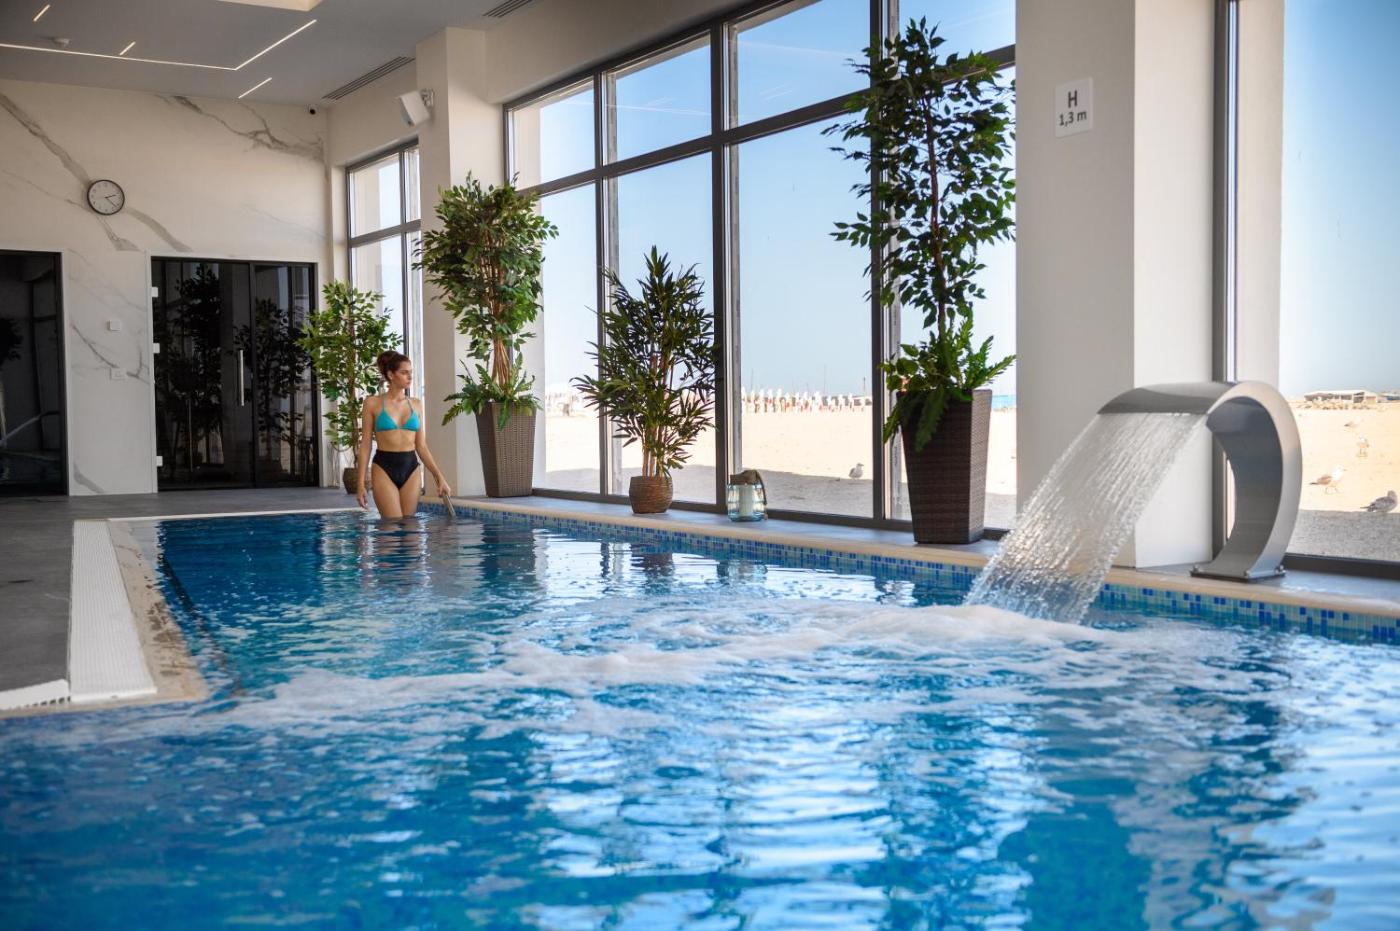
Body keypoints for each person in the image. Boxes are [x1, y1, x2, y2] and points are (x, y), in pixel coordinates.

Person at [356, 351, 451, 517]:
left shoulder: (416, 404)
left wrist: (439, 477)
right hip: (383, 467)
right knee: (391, 525)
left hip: (411, 467)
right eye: (404, 372)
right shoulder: (372, 403)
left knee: (409, 526)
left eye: (411, 372)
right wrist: (360, 483)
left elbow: (421, 446)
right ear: (391, 375)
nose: (410, 377)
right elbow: (365, 445)